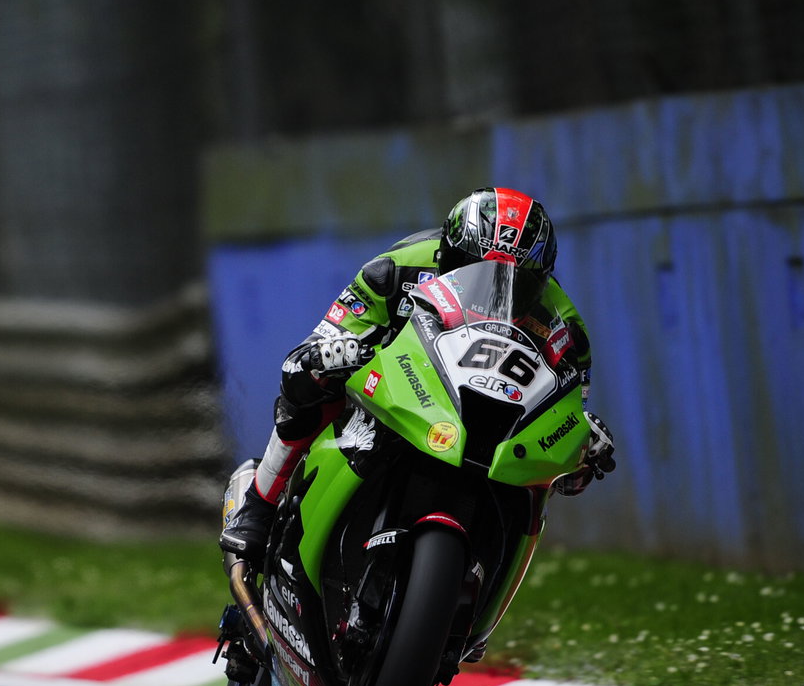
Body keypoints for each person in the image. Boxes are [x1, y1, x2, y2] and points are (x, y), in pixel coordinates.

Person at [219, 187, 617, 562]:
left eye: (518, 282)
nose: (498, 291)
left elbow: (570, 407)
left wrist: (581, 441)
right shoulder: (395, 269)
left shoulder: (565, 327)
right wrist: (335, 348)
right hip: (395, 391)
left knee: (536, 494)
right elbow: (323, 340)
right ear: (449, 255)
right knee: (308, 378)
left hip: (490, 426)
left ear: (542, 278)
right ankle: (261, 502)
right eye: (479, 271)